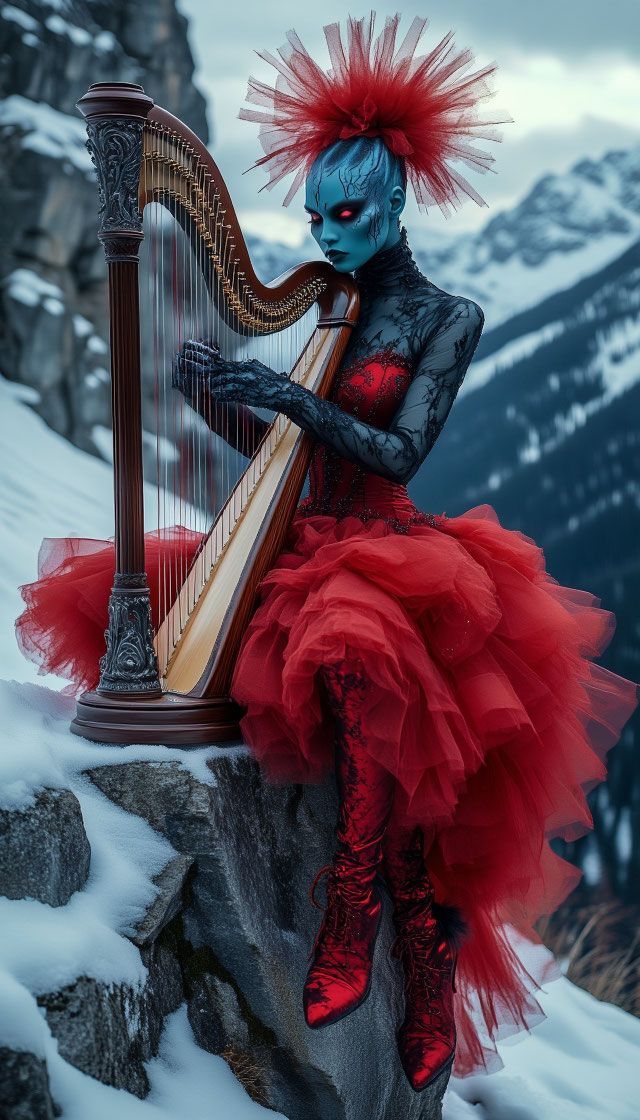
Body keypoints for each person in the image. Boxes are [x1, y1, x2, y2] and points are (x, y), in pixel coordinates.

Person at [15, 13, 639, 1094]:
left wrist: (285, 394)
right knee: (159, 606)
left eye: (347, 213)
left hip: (390, 546)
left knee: (366, 669)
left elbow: (396, 450)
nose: (327, 231)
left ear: (394, 207)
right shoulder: (328, 307)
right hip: (306, 537)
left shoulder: (446, 316)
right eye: (314, 215)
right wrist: (218, 402)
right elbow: (288, 457)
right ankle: (383, 931)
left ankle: (383, 929)